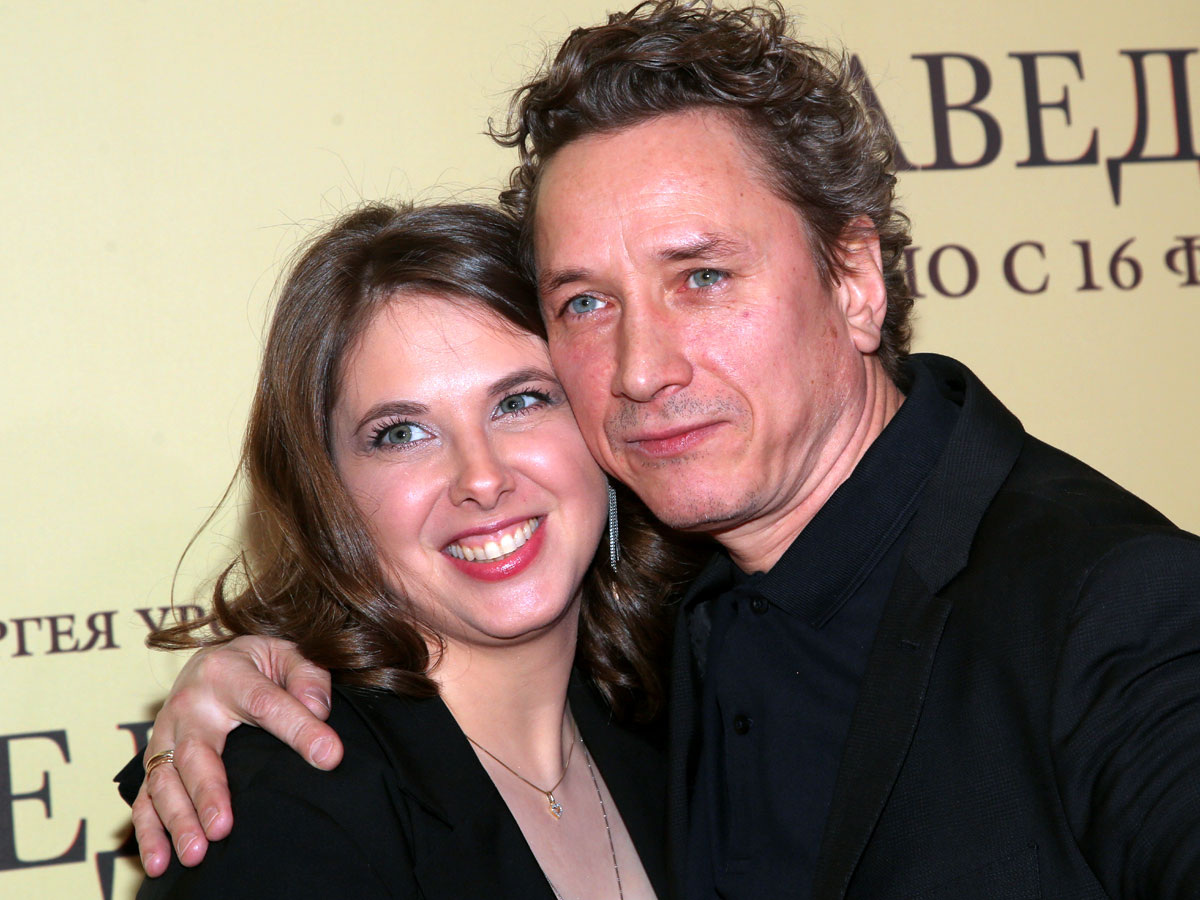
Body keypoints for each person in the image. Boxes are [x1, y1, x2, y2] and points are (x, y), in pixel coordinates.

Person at [129, 3, 1200, 898]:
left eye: (702, 277)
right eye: (587, 303)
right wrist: (233, 698)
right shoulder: (672, 648)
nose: (642, 370)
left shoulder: (1115, 606)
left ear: (855, 281)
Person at [116, 201, 697, 898]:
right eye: (401, 434)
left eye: (520, 401)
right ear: (327, 494)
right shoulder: (283, 816)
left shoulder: (690, 722)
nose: (481, 478)